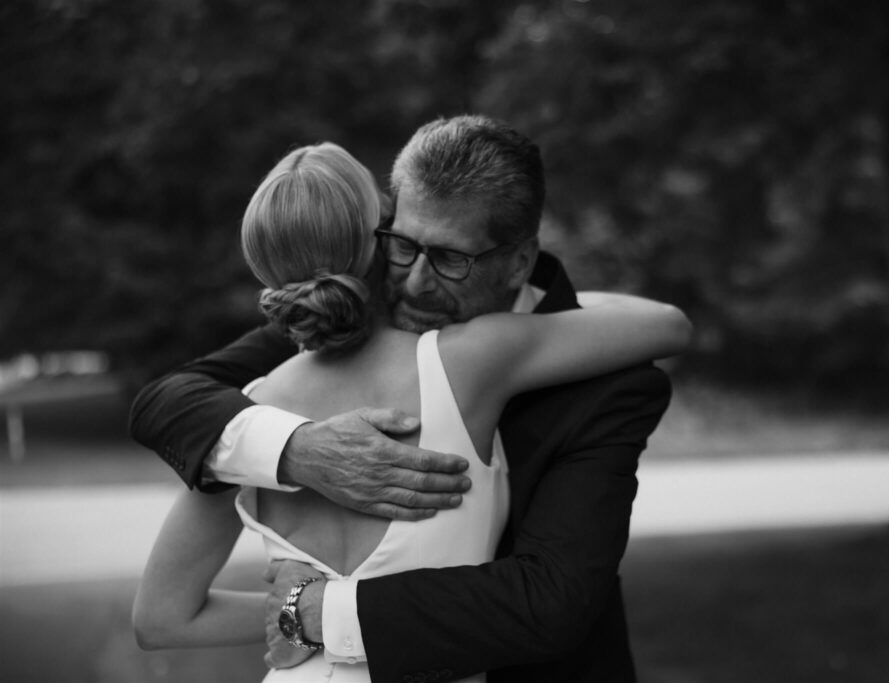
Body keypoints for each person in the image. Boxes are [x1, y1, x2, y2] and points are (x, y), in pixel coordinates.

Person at [129, 115, 678, 682]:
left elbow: (549, 602)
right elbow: (165, 401)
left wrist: (314, 613)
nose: (415, 283)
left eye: (450, 259)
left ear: (520, 261)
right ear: (378, 231)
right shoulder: (331, 340)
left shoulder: (603, 381)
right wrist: (294, 448)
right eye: (403, 247)